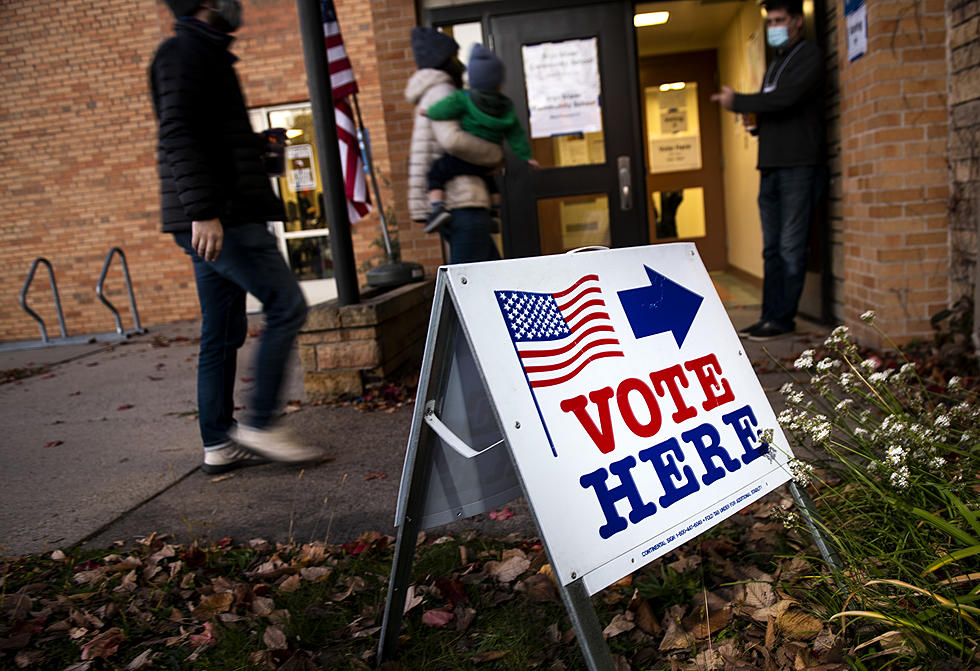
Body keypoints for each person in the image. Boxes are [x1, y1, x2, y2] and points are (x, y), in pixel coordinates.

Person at [150, 0, 321, 474]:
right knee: (288, 305)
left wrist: (259, 151)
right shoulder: (183, 53)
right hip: (221, 217)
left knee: (222, 331)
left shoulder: (208, 54)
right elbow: (178, 135)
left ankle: (219, 442)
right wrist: (202, 212)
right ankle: (262, 424)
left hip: (221, 213)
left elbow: (211, 140)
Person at [711, 0, 823, 341]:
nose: (773, 25)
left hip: (797, 165)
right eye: (770, 20)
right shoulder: (775, 65)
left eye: (779, 19)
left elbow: (785, 100)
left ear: (796, 22)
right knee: (771, 247)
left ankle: (783, 318)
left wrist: (739, 102)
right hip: (770, 165)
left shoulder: (808, 57)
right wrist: (756, 125)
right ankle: (768, 315)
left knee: (791, 246)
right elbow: (772, 109)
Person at [405, 27, 504, 264]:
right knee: (466, 284)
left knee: (489, 279)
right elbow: (452, 139)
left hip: (459, 202)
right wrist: (494, 154)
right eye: (454, 57)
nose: (459, 64)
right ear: (443, 60)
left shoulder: (434, 92)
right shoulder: (442, 92)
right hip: (462, 201)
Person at [420, 44, 537, 234]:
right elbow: (516, 133)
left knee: (436, 172)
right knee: (489, 180)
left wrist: (429, 111)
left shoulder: (464, 98)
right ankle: (493, 213)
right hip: (489, 160)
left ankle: (437, 208)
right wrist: (526, 156)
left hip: (466, 155)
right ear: (499, 83)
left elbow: (445, 109)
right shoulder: (505, 106)